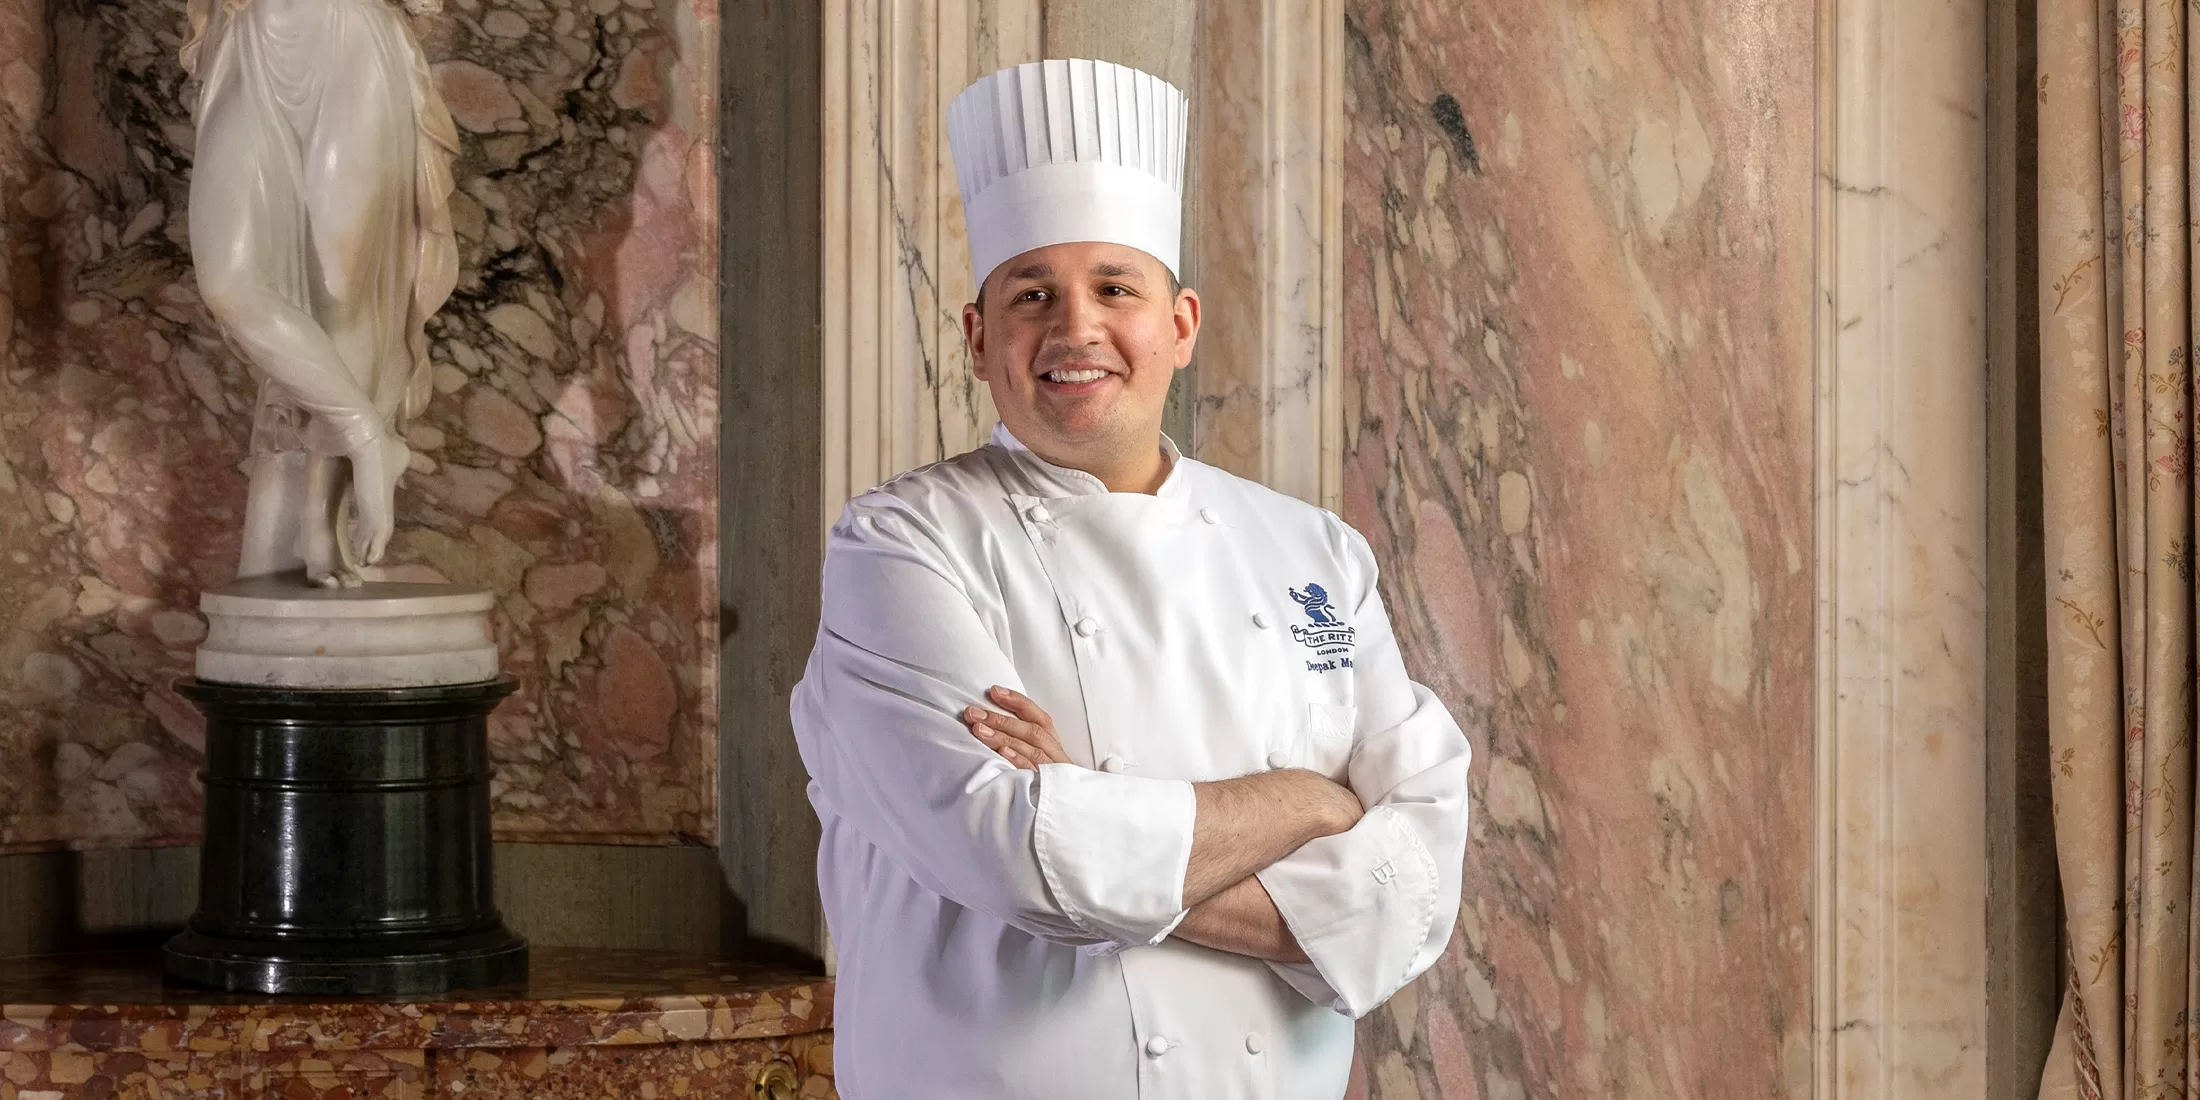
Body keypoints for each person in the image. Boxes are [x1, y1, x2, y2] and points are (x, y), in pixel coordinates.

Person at [791, 58, 1472, 1100]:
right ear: (979, 337)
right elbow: (1016, 855)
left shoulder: (1314, 553)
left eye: (1116, 287)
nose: (1075, 329)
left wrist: (1095, 809)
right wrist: (1307, 803)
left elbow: (1414, 895)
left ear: (1181, 324)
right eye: (1031, 294)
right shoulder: (899, 546)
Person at [182, 0, 458, 586]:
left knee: (339, 298)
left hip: (351, 44)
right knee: (228, 281)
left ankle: (318, 518)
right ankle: (368, 438)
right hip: (249, 44)